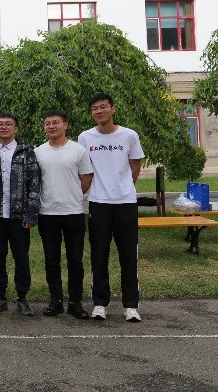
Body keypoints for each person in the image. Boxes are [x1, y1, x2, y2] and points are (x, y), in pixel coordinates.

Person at [78, 93, 145, 323]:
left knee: (128, 255)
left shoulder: (129, 135)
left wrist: (123, 187)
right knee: (99, 255)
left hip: (125, 203)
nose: (99, 111)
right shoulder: (85, 137)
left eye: (103, 107)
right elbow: (85, 169)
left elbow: (135, 166)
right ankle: (100, 304)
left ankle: (131, 306)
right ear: (92, 113)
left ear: (112, 109)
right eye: (95, 109)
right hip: (98, 203)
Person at [0, 113, 40, 316]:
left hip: (19, 216)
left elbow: (34, 185)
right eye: (0, 124)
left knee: (21, 257)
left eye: (8, 124)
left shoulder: (26, 152)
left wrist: (31, 214)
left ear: (16, 129)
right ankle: (0, 297)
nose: (4, 127)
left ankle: (22, 298)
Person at [35, 110, 94, 319]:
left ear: (65, 125)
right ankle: (56, 300)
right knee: (51, 260)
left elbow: (86, 178)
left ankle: (75, 303)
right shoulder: (38, 152)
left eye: (56, 122)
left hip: (73, 212)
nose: (52, 126)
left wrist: (73, 195)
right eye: (47, 123)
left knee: (75, 260)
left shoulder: (78, 151)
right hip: (47, 212)